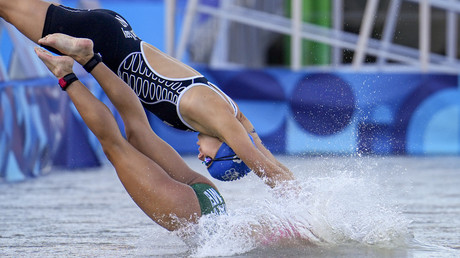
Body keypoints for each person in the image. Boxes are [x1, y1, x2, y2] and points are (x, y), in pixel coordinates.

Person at [0, 0, 294, 188]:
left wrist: (301, 190)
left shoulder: (229, 114)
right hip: (106, 41)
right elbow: (260, 163)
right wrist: (303, 210)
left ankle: (83, 54)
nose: (200, 156)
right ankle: (81, 52)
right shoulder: (213, 112)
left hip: (112, 38)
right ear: (227, 146)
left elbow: (259, 148)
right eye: (208, 159)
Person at [33, 33, 227, 231]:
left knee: (139, 128)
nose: (201, 155)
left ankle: (89, 59)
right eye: (209, 158)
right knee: (114, 147)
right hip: (191, 208)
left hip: (209, 193)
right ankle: (65, 74)